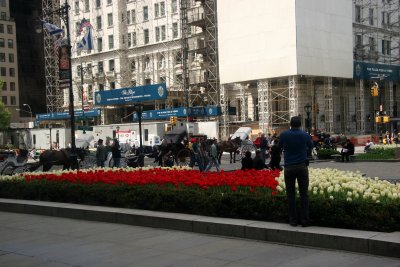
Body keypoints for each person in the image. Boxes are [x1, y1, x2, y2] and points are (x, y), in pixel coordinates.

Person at [279, 116, 313, 227]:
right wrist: (305, 153)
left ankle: (293, 220)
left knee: (290, 195)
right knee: (304, 194)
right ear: (300, 124)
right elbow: (311, 146)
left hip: (289, 167)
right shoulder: (305, 135)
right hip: (302, 166)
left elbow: (279, 147)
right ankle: (305, 220)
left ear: (290, 124)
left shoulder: (284, 135)